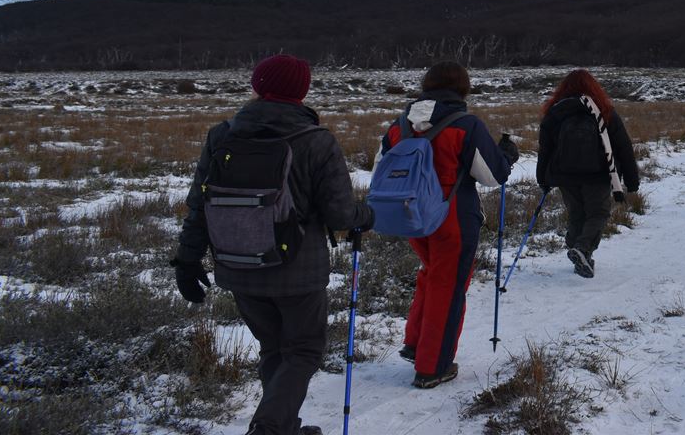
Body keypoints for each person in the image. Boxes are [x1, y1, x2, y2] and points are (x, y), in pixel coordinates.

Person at [172, 54, 375, 435]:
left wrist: (187, 258)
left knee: (273, 349)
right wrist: (369, 216)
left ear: (257, 86)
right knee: (303, 352)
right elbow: (341, 215)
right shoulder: (317, 141)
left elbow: (199, 202)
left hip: (238, 264)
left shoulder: (222, 135)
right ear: (303, 91)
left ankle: (283, 426)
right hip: (298, 272)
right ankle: (268, 427)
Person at [378, 61, 517, 388]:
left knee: (430, 275)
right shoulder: (466, 125)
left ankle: (416, 344)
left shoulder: (400, 124)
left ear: (426, 86)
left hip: (411, 215)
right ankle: (433, 366)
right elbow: (493, 176)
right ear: (463, 89)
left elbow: (384, 166)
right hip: (451, 216)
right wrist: (507, 155)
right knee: (448, 286)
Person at [537, 69, 640, 279]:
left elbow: (545, 149)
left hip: (565, 175)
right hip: (599, 174)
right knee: (598, 214)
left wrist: (543, 178)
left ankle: (579, 252)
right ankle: (582, 249)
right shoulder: (604, 111)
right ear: (594, 87)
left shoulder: (554, 113)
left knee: (577, 214)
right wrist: (631, 180)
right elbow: (623, 147)